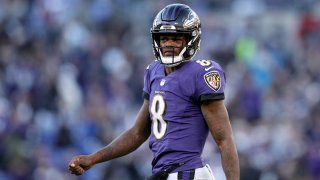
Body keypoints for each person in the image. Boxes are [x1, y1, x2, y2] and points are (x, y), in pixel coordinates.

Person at [68, 3, 240, 180]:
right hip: (164, 173)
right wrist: (94, 158)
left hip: (188, 172)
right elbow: (137, 133)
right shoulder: (154, 72)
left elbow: (224, 140)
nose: (168, 44)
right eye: (164, 38)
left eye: (176, 38)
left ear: (191, 39)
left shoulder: (200, 73)